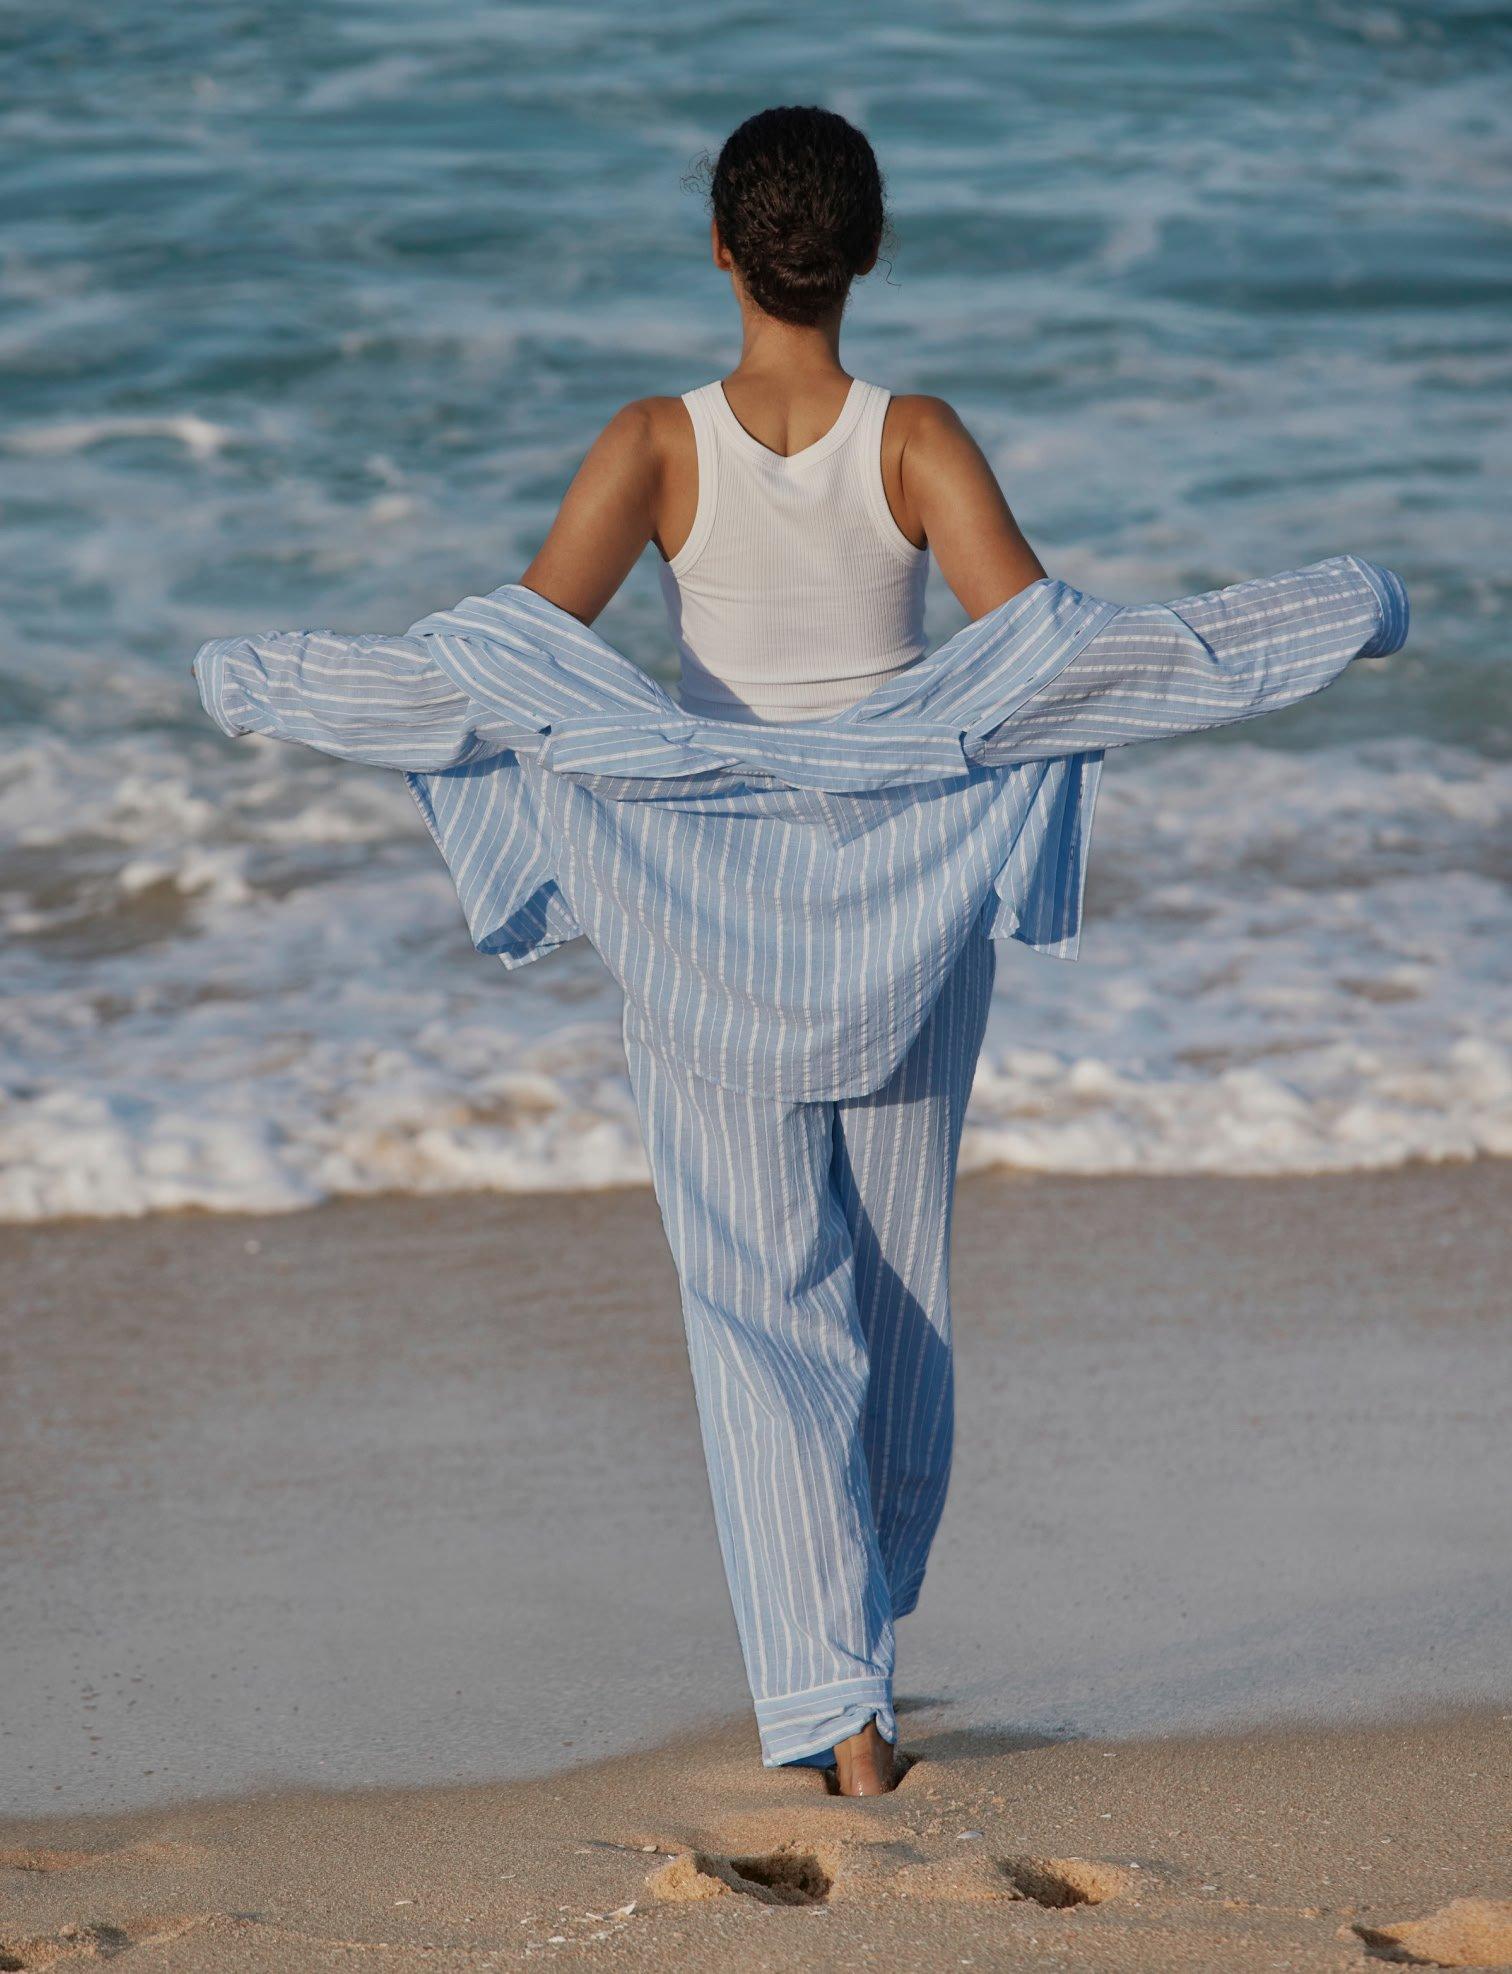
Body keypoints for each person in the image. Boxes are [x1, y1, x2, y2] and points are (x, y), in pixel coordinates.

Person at [192, 106, 1408, 1797]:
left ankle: (840, 1700)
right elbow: (1052, 664)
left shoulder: (653, 444)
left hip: (703, 929)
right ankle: (861, 1658)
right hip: (907, 913)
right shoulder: (916, 440)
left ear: (722, 250)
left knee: (760, 1318)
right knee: (895, 1300)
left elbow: (503, 670)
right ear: (867, 252)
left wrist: (262, 678)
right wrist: (1344, 607)